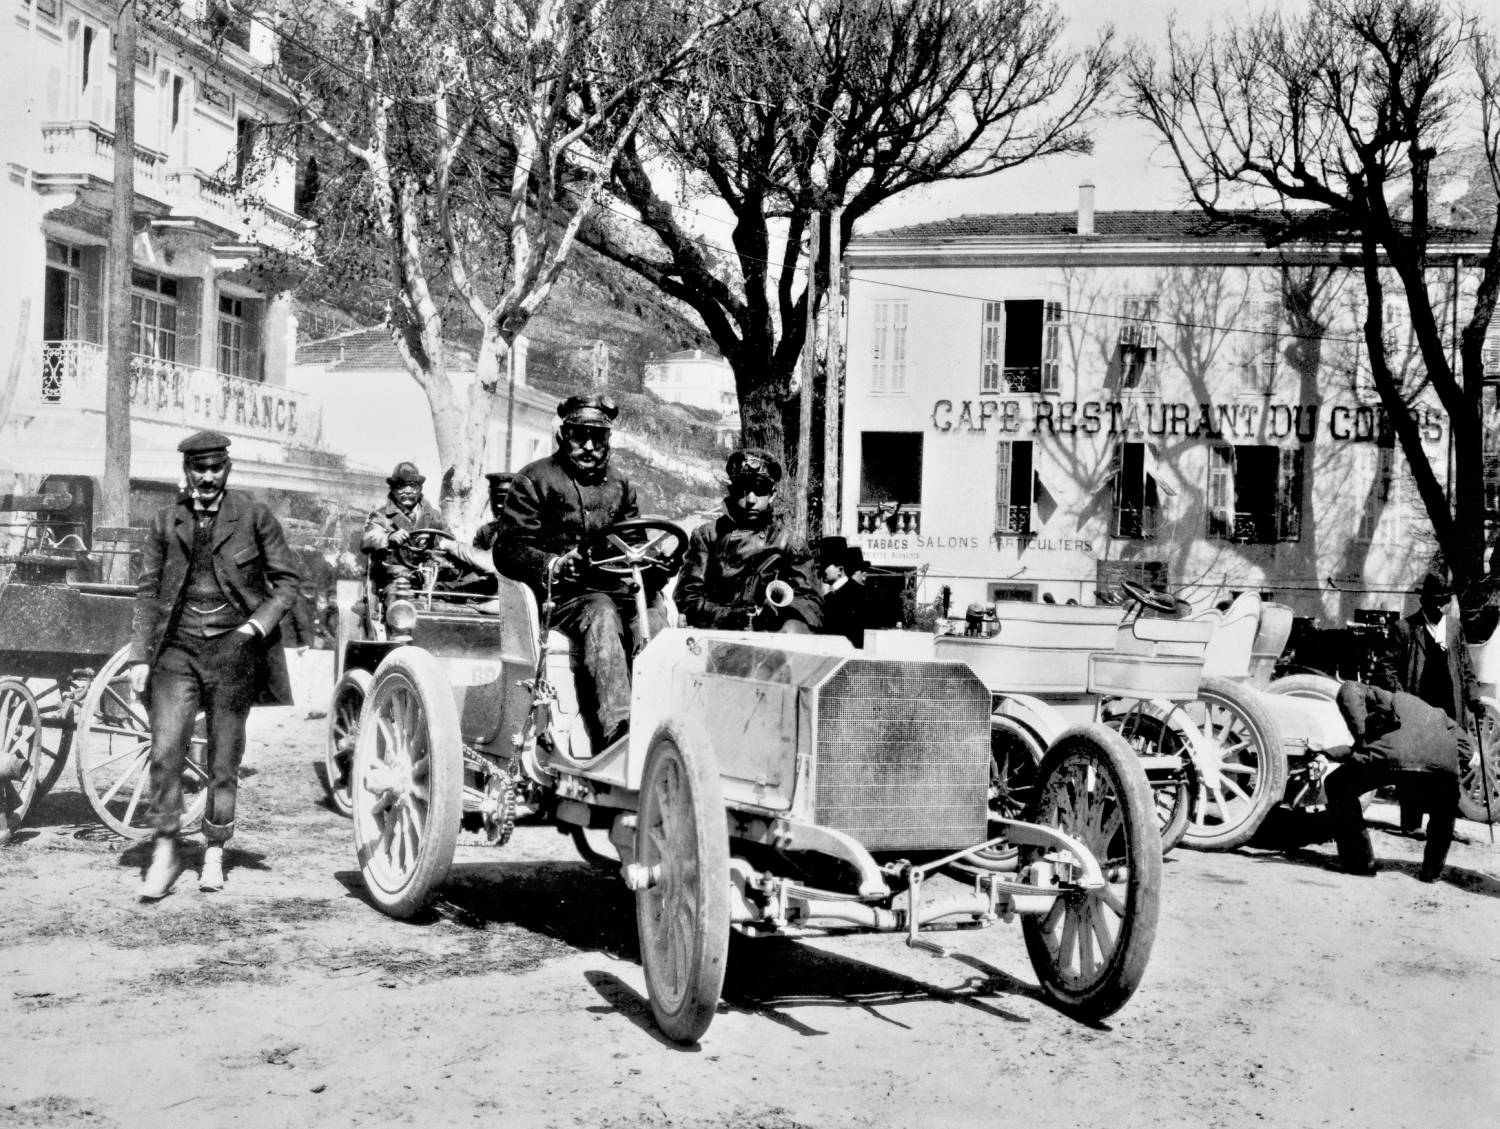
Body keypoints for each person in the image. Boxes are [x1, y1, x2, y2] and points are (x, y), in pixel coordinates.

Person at [128, 431, 300, 899]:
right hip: (176, 651)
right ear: (186, 472)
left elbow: (286, 584)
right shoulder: (166, 521)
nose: (207, 477)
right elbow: (147, 592)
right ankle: (164, 849)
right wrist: (139, 657)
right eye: (198, 469)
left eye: (215, 468)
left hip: (233, 653)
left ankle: (214, 850)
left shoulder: (254, 516)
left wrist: (252, 629)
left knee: (224, 761)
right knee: (165, 753)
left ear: (228, 468)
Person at [495, 395, 655, 749]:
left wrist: (655, 563)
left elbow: (635, 543)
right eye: (578, 435)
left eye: (597, 437)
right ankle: (619, 734)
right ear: (562, 435)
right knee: (600, 611)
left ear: (607, 441)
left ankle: (659, 723)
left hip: (612, 592)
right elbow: (508, 549)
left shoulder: (621, 486)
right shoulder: (535, 479)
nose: (588, 446)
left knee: (656, 619)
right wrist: (553, 564)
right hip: (559, 599)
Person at [1310, 681, 1462, 882]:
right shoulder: (1437, 713)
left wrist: (1361, 737)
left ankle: (1360, 862)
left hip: (1391, 757)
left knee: (1337, 784)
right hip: (1441, 766)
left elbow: (1349, 690)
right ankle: (1431, 872)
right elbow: (1466, 748)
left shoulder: (1382, 696)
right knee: (1445, 803)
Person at [1371, 566, 1481, 836]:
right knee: (1415, 766)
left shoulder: (1454, 629)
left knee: (1448, 767)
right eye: (1436, 601)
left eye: (1445, 601)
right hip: (1418, 707)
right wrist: (1402, 701)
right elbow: (1387, 669)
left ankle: (1445, 825)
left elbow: (1466, 669)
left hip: (1449, 709)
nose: (1441, 607)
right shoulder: (1405, 628)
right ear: (1425, 601)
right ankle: (1411, 824)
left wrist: (1474, 699)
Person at [676, 449, 822, 633]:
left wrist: (788, 620)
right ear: (731, 491)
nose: (751, 499)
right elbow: (687, 596)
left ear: (773, 494)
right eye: (742, 489)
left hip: (771, 642)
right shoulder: (707, 536)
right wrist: (733, 616)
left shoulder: (790, 542)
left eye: (760, 489)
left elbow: (810, 600)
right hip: (716, 638)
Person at [360, 461, 453, 612]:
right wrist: (389, 537)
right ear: (393, 489)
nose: (408, 491)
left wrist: (437, 545)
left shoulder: (435, 517)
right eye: (402, 486)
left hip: (431, 579)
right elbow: (368, 539)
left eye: (413, 486)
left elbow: (449, 543)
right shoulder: (381, 516)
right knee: (401, 607)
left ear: (420, 489)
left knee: (451, 604)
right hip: (394, 580)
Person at [820, 544, 868, 647]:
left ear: (840, 570)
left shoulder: (859, 593)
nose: (822, 570)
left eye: (826, 565)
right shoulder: (828, 597)